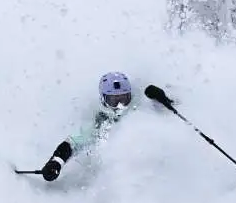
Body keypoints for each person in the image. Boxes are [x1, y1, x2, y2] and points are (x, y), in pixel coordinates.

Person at [40, 72, 169, 181]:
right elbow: (73, 143)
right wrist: (56, 162)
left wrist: (164, 100)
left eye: (124, 99)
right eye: (114, 100)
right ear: (103, 100)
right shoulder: (101, 122)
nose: (120, 106)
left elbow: (168, 118)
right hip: (126, 174)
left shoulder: (139, 105)